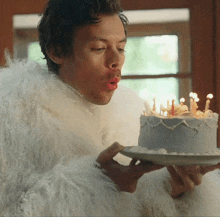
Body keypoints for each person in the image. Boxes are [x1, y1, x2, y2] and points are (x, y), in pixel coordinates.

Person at [0, 0, 220, 216]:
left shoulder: (133, 112)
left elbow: (137, 204)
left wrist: (172, 189)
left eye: (121, 48)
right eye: (99, 48)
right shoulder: (12, 117)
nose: (116, 61)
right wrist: (98, 182)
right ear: (57, 51)